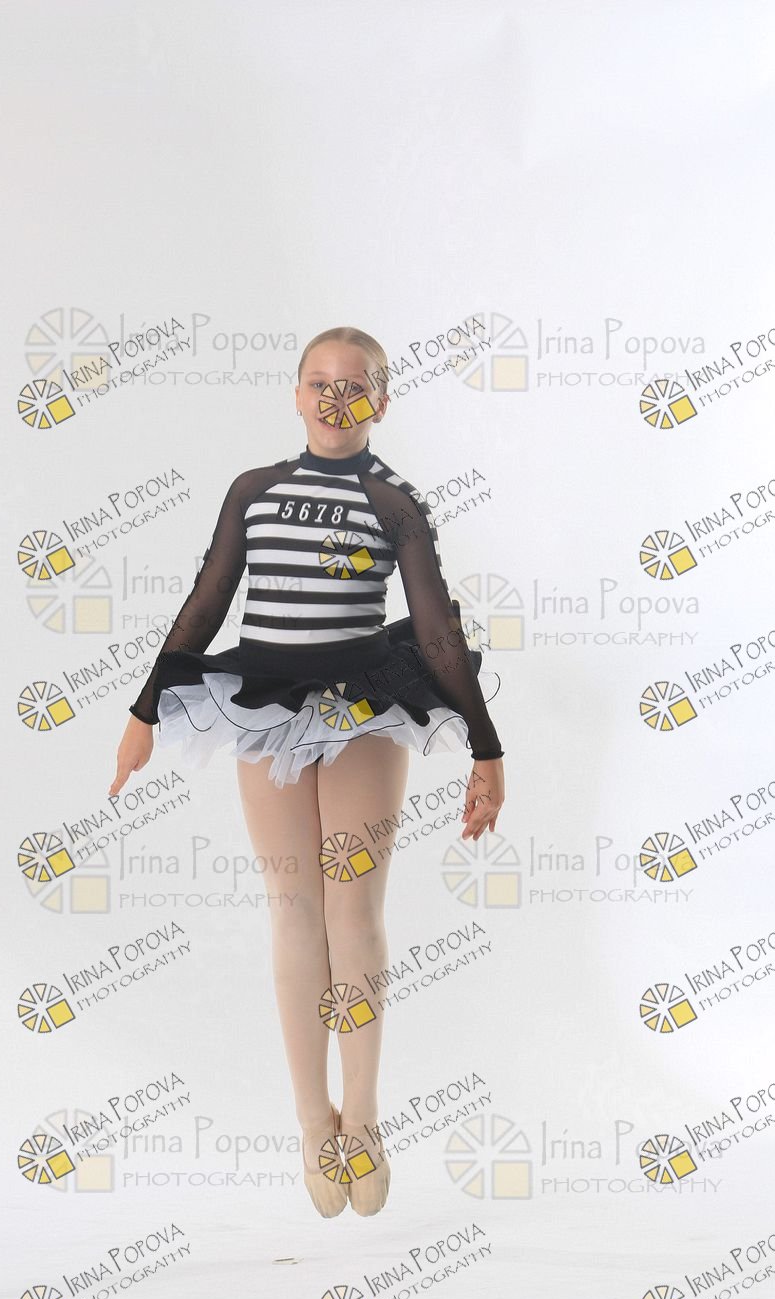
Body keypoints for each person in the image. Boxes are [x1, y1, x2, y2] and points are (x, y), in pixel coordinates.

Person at [109, 326, 505, 1219]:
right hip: (265, 698)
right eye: (318, 382)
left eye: (354, 384)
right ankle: (311, 1119)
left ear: (381, 401)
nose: (335, 397)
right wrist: (143, 711)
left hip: (362, 701)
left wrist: (486, 747)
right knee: (292, 907)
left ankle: (362, 1114)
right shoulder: (254, 490)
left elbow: (438, 630)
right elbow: (206, 603)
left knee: (350, 910)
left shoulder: (393, 500)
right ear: (294, 395)